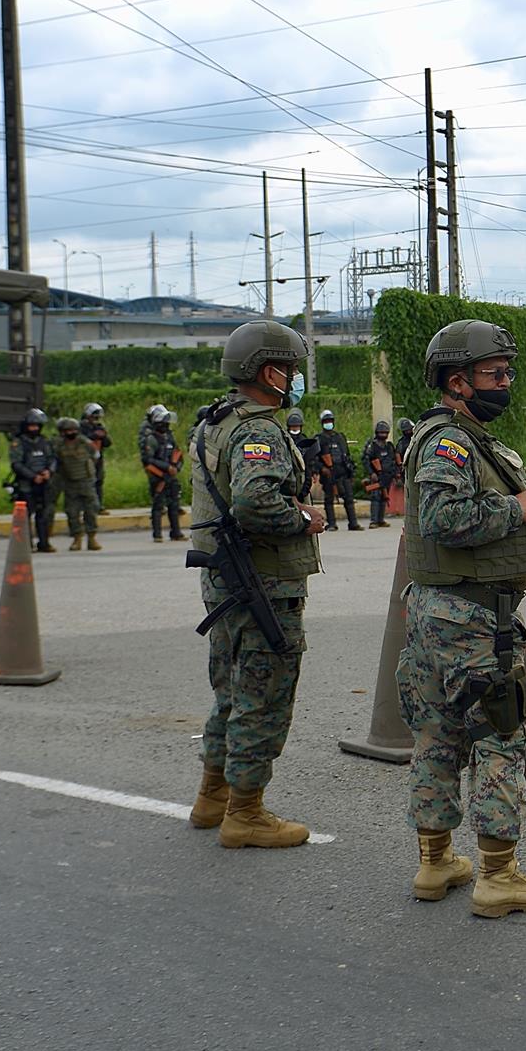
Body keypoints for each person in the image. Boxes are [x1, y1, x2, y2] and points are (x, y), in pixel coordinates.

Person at [400, 319, 526, 918]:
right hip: (469, 618)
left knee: (437, 736)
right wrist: (516, 508)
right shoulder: (451, 442)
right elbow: (443, 517)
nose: (506, 383)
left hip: (435, 615)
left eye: (507, 372)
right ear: (458, 382)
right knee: (498, 734)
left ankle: (435, 861)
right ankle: (499, 875)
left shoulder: (458, 437)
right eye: (496, 374)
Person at [186, 320, 326, 848]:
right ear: (269, 371)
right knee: (263, 697)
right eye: (289, 369)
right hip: (262, 583)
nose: (293, 378)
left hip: (226, 583)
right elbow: (254, 501)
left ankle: (212, 798)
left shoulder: (213, 423)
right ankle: (245, 813)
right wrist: (304, 518)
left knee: (229, 691)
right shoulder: (260, 429)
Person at [9, 408, 59, 553]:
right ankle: (26, 544)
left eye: (37, 426)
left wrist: (49, 471)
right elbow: (16, 464)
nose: (34, 429)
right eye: (32, 426)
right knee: (25, 516)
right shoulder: (18, 443)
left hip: (44, 482)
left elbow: (52, 459)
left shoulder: (44, 441)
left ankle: (44, 543)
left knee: (43, 514)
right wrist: (32, 476)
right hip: (26, 484)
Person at [55, 417, 102, 551]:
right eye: (68, 430)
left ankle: (92, 538)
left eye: (73, 430)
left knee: (91, 511)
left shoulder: (85, 443)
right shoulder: (59, 445)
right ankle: (77, 539)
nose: (71, 432)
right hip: (70, 483)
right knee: (72, 513)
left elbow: (96, 455)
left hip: (86, 482)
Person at [141, 403, 186, 542]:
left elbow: (178, 453)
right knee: (158, 505)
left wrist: (176, 467)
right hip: (158, 476)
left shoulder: (169, 437)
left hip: (171, 476)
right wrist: (167, 468)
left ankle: (176, 533)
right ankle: (157, 534)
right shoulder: (151, 439)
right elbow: (149, 460)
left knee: (174, 504)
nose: (166, 425)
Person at [314, 409, 361, 532]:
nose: (328, 423)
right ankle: (332, 524)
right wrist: (322, 468)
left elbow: (347, 455)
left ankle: (353, 523)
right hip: (329, 474)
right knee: (329, 499)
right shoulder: (319, 439)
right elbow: (314, 458)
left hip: (342, 471)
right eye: (326, 421)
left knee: (349, 498)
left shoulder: (340, 437)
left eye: (330, 421)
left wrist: (351, 472)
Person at [363, 419, 400, 529]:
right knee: (376, 498)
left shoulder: (389, 446)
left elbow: (393, 461)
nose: (383, 435)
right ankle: (374, 521)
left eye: (385, 433)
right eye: (381, 432)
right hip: (377, 476)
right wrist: (371, 473)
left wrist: (395, 474)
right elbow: (366, 460)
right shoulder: (373, 446)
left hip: (387, 476)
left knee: (384, 497)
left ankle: (381, 520)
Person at [286, 409, 322, 505]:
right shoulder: (284, 439)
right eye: (293, 426)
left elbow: (310, 460)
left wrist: (315, 472)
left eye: (297, 426)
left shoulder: (305, 440)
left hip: (303, 480)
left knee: (308, 509)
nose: (295, 428)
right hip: (287, 479)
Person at [82, 402, 111, 514]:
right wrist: (93, 435)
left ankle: (98, 506)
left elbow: (108, 443)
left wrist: (103, 436)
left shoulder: (99, 427)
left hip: (98, 459)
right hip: (85, 460)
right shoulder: (82, 427)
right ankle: (87, 507)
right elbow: (81, 441)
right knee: (88, 483)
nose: (95, 419)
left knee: (99, 482)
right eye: (93, 417)